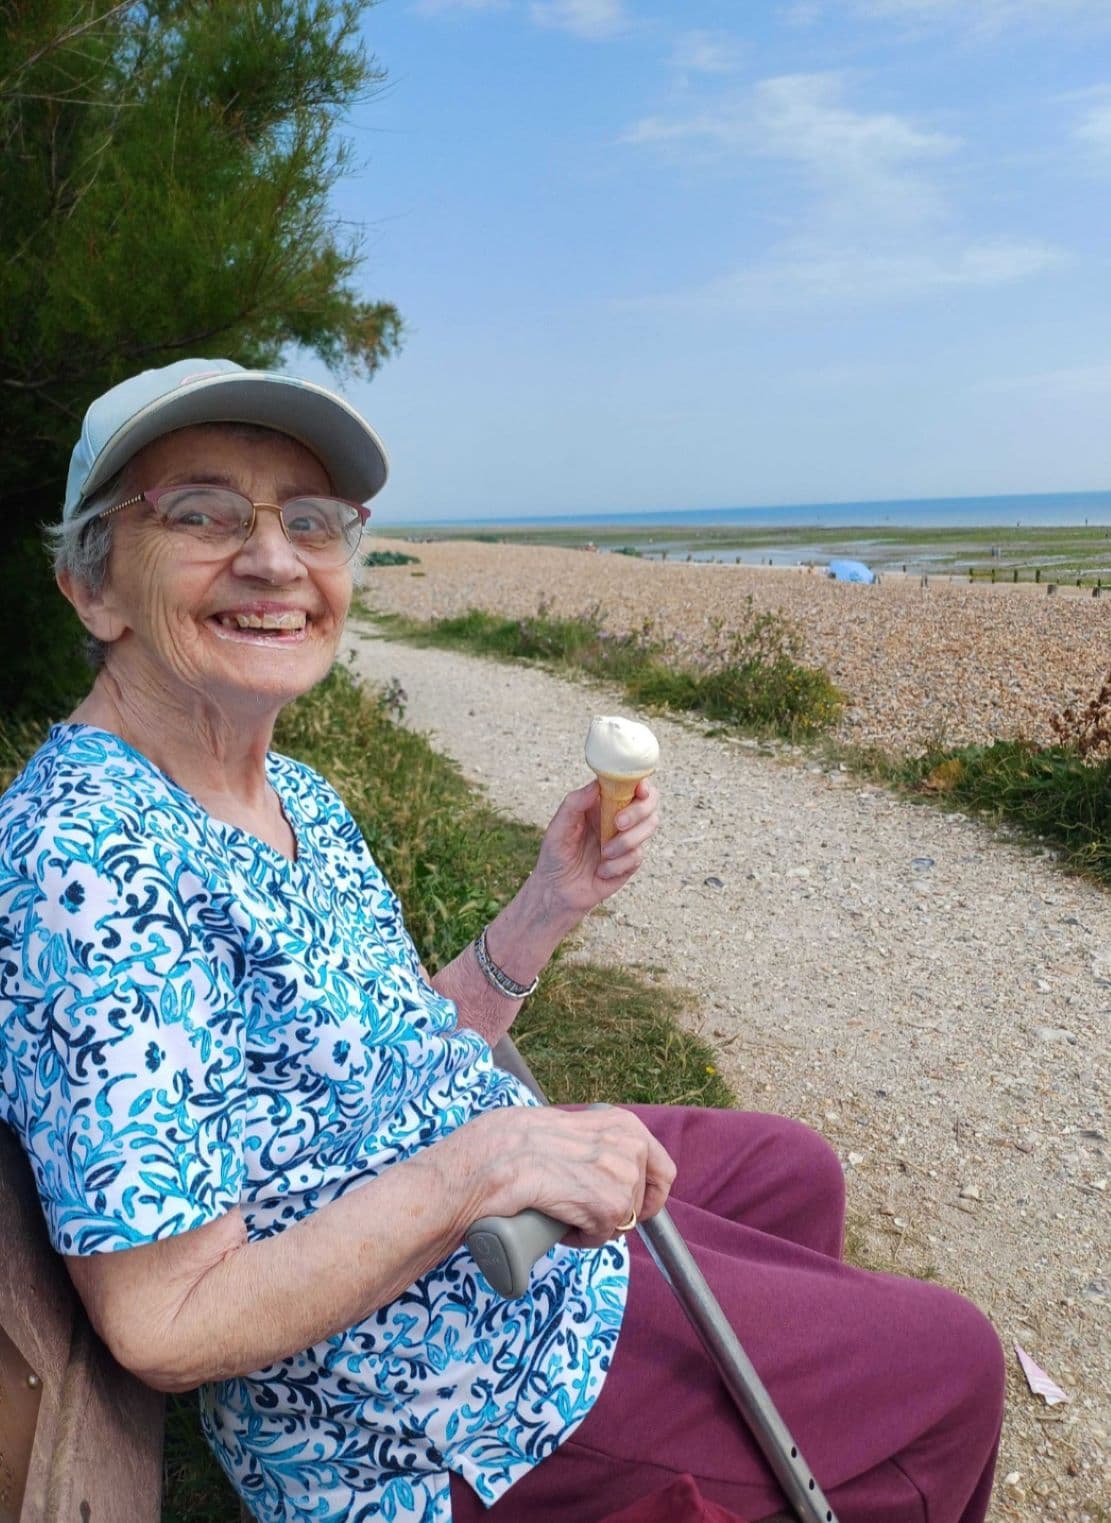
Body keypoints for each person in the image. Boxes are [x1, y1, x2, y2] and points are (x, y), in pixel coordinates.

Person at [0, 359, 1004, 1523]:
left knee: (794, 1168)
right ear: (93, 585)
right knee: (954, 1366)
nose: (275, 559)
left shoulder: (294, 793)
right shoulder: (83, 863)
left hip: (469, 1241)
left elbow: (396, 1049)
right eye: (200, 512)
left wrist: (548, 902)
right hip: (433, 1399)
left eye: (312, 520)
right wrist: (484, 1165)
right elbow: (168, 1319)